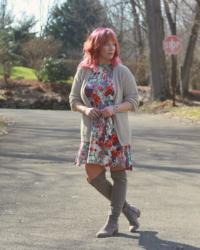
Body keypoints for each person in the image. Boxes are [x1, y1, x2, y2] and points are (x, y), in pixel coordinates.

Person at [69, 27, 141, 238]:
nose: (112, 48)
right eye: (107, 44)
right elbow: (73, 100)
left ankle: (113, 221)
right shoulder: (84, 70)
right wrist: (86, 109)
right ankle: (128, 209)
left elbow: (134, 101)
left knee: (118, 176)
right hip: (93, 133)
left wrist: (115, 108)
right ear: (96, 46)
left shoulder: (121, 71)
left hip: (116, 131)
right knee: (93, 176)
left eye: (114, 44)